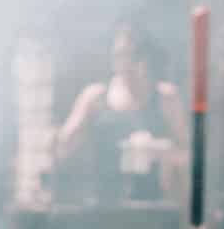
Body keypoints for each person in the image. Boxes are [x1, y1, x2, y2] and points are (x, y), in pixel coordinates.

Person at [53, 23, 189, 203]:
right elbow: (64, 145)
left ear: (145, 59)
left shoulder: (166, 98)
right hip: (104, 203)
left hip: (153, 204)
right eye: (117, 55)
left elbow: (188, 156)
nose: (123, 63)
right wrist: (60, 141)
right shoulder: (96, 97)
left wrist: (162, 151)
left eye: (129, 56)